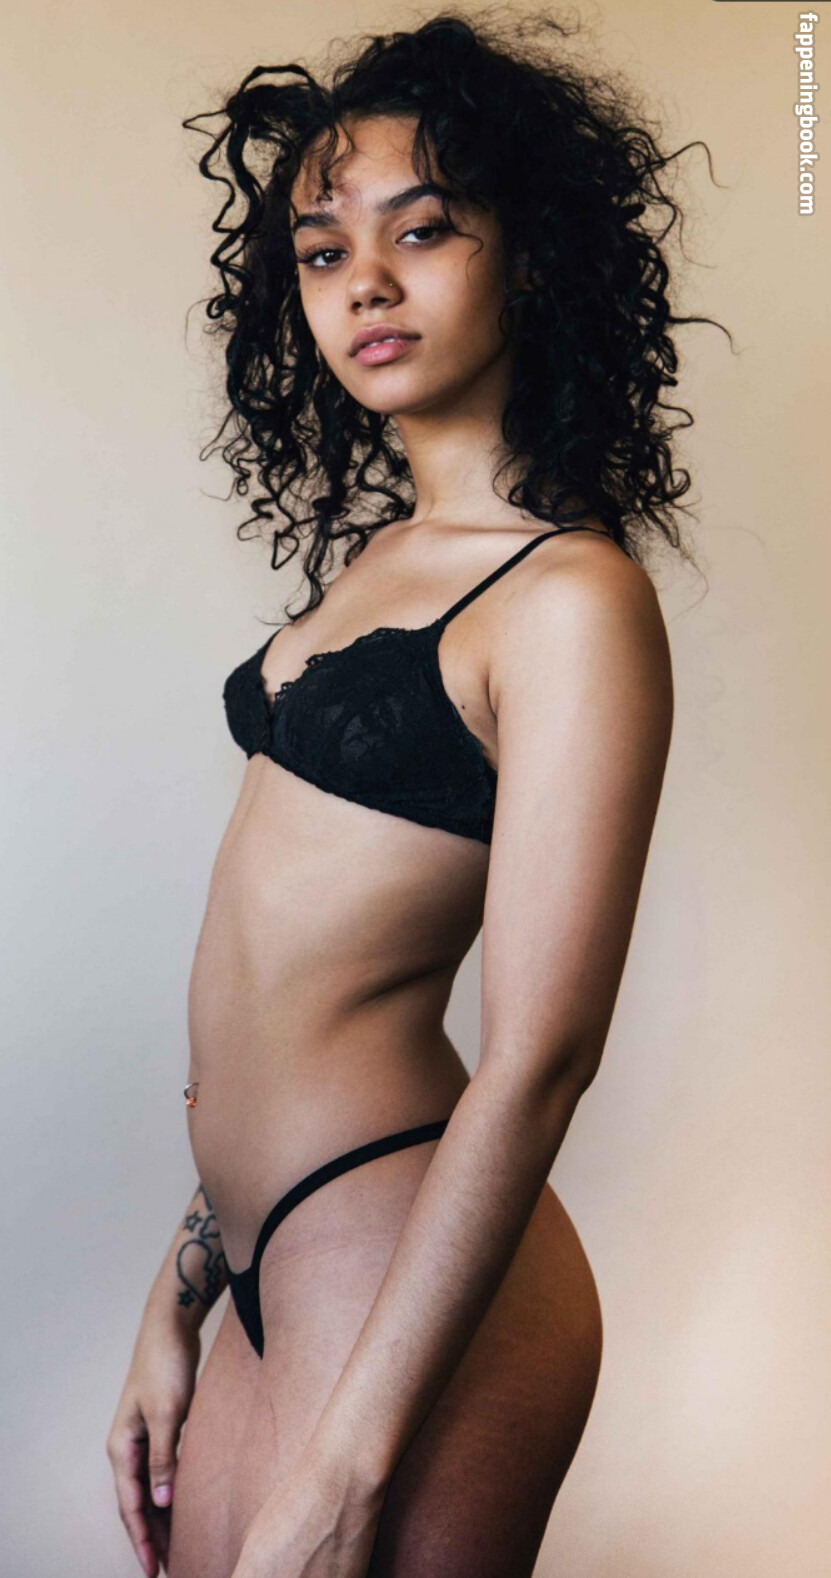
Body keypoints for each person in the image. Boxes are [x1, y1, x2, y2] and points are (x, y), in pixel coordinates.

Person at [107, 12, 719, 1577]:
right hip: (265, 1252)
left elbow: (542, 1056)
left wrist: (351, 1463)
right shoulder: (382, 560)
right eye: (323, 251)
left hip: (398, 1243)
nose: (364, 282)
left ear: (534, 257)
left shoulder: (569, 599)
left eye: (423, 229)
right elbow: (282, 989)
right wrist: (177, 1297)